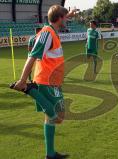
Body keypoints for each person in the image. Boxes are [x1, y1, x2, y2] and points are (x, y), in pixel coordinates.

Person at [13, 5, 75, 159]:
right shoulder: (47, 33)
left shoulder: (50, 32)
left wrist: (70, 13)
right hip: (47, 81)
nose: (67, 20)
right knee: (58, 117)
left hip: (53, 81)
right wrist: (22, 80)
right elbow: (32, 55)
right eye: (65, 17)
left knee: (51, 118)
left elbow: (32, 43)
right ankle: (29, 89)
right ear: (59, 18)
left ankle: (50, 154)